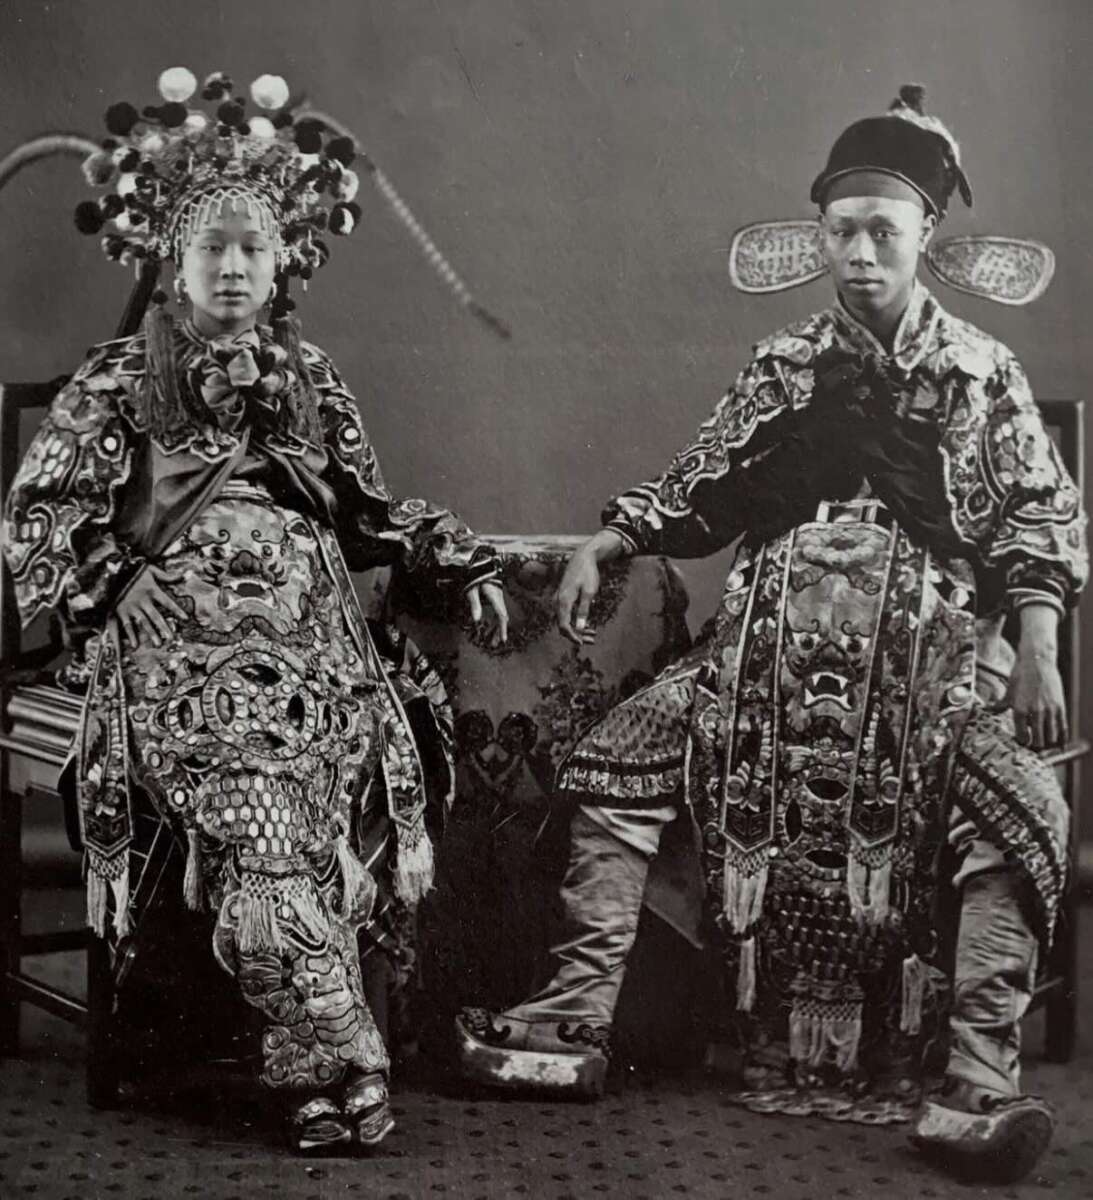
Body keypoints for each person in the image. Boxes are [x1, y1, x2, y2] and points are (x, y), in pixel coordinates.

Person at [455, 86, 1086, 1185]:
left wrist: (1032, 645)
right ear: (818, 238)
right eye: (839, 230)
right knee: (617, 759)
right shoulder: (785, 362)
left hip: (937, 657)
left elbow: (1038, 517)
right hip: (766, 655)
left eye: (880, 230)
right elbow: (702, 488)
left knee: (1021, 804)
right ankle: (570, 1021)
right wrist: (612, 539)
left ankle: (979, 1079)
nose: (857, 252)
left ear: (925, 235)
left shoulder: (982, 373)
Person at [3, 67, 508, 1154]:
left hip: (314, 643)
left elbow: (370, 512)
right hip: (167, 649)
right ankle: (344, 1050)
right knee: (252, 801)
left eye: (252, 249)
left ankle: (300, 1059)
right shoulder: (114, 382)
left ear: (284, 262)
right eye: (209, 249)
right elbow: (38, 521)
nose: (232, 268)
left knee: (342, 774)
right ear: (170, 261)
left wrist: (458, 560)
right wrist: (110, 595)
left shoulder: (312, 382)